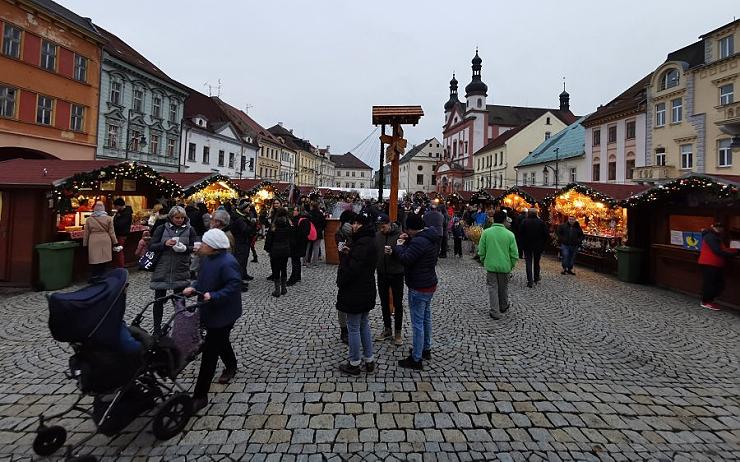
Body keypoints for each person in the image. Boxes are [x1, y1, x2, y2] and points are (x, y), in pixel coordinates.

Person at [183, 228, 242, 413]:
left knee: (210, 353)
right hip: (211, 309)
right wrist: (194, 287)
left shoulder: (227, 262)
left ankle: (200, 396)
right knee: (220, 341)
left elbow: (234, 285)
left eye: (205, 243)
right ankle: (231, 365)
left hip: (223, 313)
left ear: (214, 247)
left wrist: (215, 295)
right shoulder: (208, 259)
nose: (202, 245)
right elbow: (203, 279)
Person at [394, 213, 440, 370]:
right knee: (426, 319)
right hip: (429, 283)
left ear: (412, 229)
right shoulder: (430, 237)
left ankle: (416, 359)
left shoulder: (419, 241)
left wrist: (399, 246)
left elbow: (406, 259)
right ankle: (425, 349)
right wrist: (409, 241)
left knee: (418, 323)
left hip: (419, 286)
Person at [336, 212, 377, 375]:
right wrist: (349, 252)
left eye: (355, 223)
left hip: (356, 290)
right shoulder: (369, 241)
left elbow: (353, 269)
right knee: (364, 324)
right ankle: (369, 360)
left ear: (361, 225)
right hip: (366, 288)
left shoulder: (361, 244)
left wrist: (345, 258)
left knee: (353, 327)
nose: (352, 226)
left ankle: (354, 363)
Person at [149, 206, 198, 335]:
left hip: (180, 269)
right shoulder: (161, 228)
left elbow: (195, 247)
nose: (180, 220)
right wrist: (164, 245)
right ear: (171, 217)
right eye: (177, 217)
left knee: (179, 302)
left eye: (182, 217)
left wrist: (185, 249)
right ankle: (157, 329)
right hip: (162, 268)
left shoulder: (189, 230)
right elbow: (152, 246)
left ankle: (180, 328)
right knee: (158, 301)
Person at [479, 211, 519, 320]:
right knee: (503, 288)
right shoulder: (510, 234)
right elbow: (514, 254)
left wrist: (484, 260)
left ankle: (494, 311)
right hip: (505, 266)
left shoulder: (486, 233)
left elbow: (481, 250)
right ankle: (503, 305)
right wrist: (511, 265)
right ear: (504, 220)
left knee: (493, 288)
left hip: (491, 265)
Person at [374, 213, 405, 346]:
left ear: (389, 223)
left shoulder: (400, 235)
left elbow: (404, 255)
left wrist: (394, 253)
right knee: (384, 302)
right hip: (382, 273)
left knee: (398, 303)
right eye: (379, 227)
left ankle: (397, 331)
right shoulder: (377, 236)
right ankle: (387, 329)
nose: (381, 229)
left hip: (397, 273)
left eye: (383, 226)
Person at [698, 222, 738, 310]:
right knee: (711, 283)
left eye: (721, 227)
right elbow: (717, 251)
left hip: (714, 263)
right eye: (717, 227)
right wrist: (733, 254)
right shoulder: (710, 236)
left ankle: (709, 300)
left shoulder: (715, 236)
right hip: (709, 263)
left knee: (717, 283)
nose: (720, 229)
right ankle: (706, 302)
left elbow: (722, 249)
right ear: (713, 227)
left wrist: (735, 251)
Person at [335, 209, 356, 343]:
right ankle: (344, 330)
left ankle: (349, 329)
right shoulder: (341, 234)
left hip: (350, 269)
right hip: (345, 269)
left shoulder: (356, 233)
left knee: (350, 301)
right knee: (342, 302)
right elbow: (342, 251)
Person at [83, 201, 118, 279]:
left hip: (93, 239)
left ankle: (95, 276)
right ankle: (103, 275)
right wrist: (115, 242)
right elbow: (112, 232)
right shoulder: (109, 218)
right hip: (105, 239)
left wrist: (85, 244)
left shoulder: (89, 219)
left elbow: (86, 233)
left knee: (95, 259)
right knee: (104, 258)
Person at [264, 207, 292, 297]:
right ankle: (283, 288)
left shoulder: (274, 226)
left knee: (275, 269)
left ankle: (277, 290)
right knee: (283, 268)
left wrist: (268, 249)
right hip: (285, 250)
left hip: (275, 250)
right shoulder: (288, 224)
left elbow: (269, 239)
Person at [518, 208, 549, 287]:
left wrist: (521, 243)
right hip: (538, 245)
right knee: (536, 262)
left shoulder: (524, 222)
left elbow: (520, 233)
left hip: (527, 245)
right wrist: (543, 243)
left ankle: (530, 280)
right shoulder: (541, 222)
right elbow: (546, 234)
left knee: (528, 262)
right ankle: (536, 277)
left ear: (528, 213)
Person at [230, 201, 255, 290]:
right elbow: (245, 230)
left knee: (244, 260)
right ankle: (238, 283)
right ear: (243, 208)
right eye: (247, 207)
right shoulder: (239, 218)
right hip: (241, 242)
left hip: (244, 241)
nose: (249, 209)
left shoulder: (242, 217)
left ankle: (243, 275)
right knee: (240, 262)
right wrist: (252, 224)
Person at [287, 207, 310, 286]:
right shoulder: (301, 219)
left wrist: (292, 226)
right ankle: (298, 276)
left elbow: (302, 233)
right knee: (296, 260)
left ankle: (293, 278)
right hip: (299, 244)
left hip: (297, 244)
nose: (293, 211)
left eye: (295, 210)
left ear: (299, 211)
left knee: (295, 261)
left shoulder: (302, 220)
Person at [112, 198, 132, 268]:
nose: (115, 208)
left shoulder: (126, 213)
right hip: (120, 234)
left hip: (121, 234)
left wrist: (113, 224)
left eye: (115, 206)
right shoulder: (121, 212)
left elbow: (120, 224)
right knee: (118, 250)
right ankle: (118, 265)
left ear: (119, 205)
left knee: (119, 250)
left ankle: (121, 266)